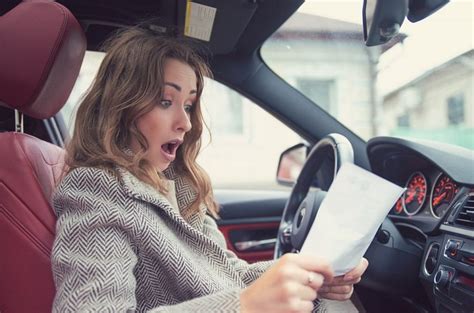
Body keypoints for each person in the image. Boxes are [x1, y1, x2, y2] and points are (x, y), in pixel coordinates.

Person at [51, 25, 368, 313]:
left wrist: (306, 277)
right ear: (121, 106)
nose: (185, 123)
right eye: (165, 101)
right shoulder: (95, 187)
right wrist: (243, 306)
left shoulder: (177, 185)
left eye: (188, 105)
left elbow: (228, 275)